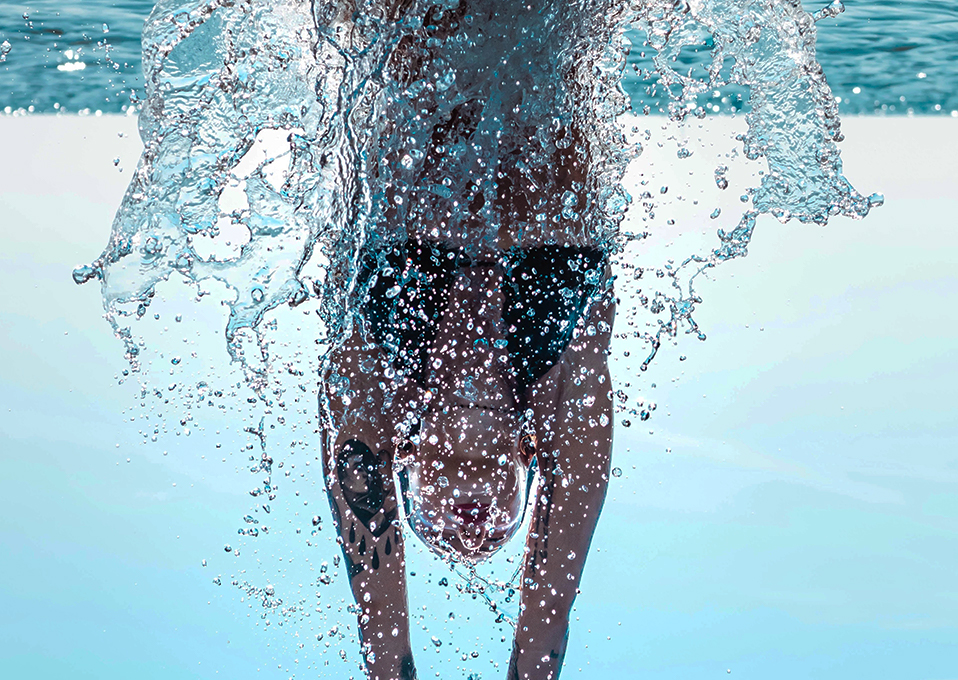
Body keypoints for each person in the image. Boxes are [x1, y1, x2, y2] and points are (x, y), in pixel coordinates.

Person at [318, 2, 622, 679]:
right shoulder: (556, 372)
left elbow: (375, 611)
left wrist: (391, 666)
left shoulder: (382, 365)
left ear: (407, 468)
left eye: (437, 534)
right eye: (496, 538)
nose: (472, 537)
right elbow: (549, 623)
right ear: (526, 462)